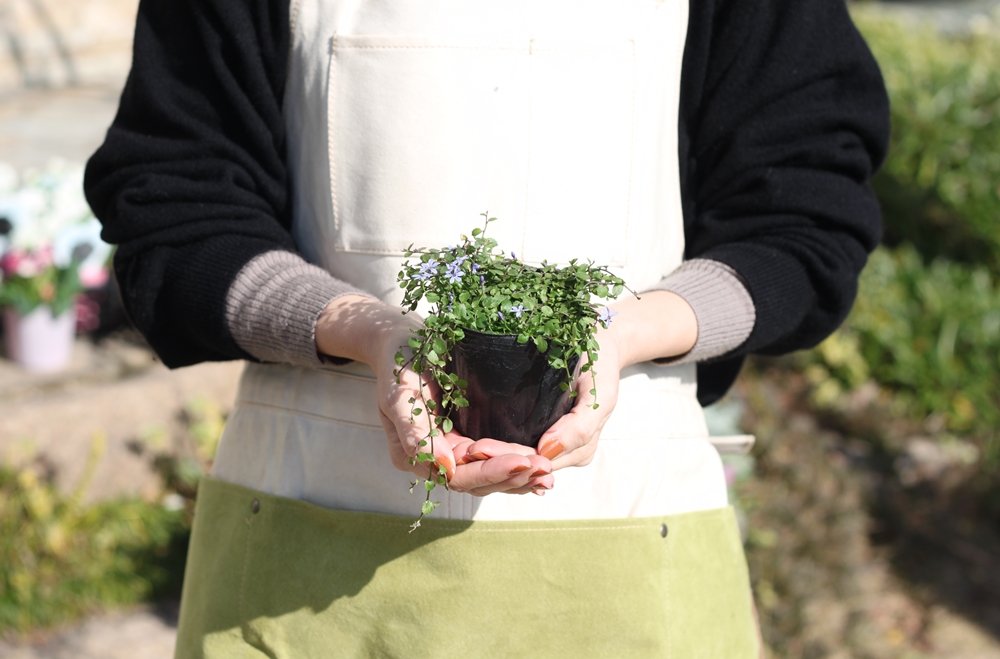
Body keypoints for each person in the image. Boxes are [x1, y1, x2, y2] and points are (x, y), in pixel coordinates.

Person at [85, 0, 889, 656]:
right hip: (307, 564)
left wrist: (619, 336)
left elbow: (801, 214)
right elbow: (178, 207)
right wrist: (368, 332)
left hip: (635, 553)